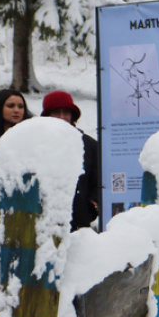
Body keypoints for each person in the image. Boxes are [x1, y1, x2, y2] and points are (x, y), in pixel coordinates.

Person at [41, 90, 99, 230]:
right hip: (43, 224)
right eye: (56, 112)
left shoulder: (90, 146)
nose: (62, 117)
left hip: (79, 224)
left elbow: (99, 182)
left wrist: (91, 206)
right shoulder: (38, 144)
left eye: (66, 112)